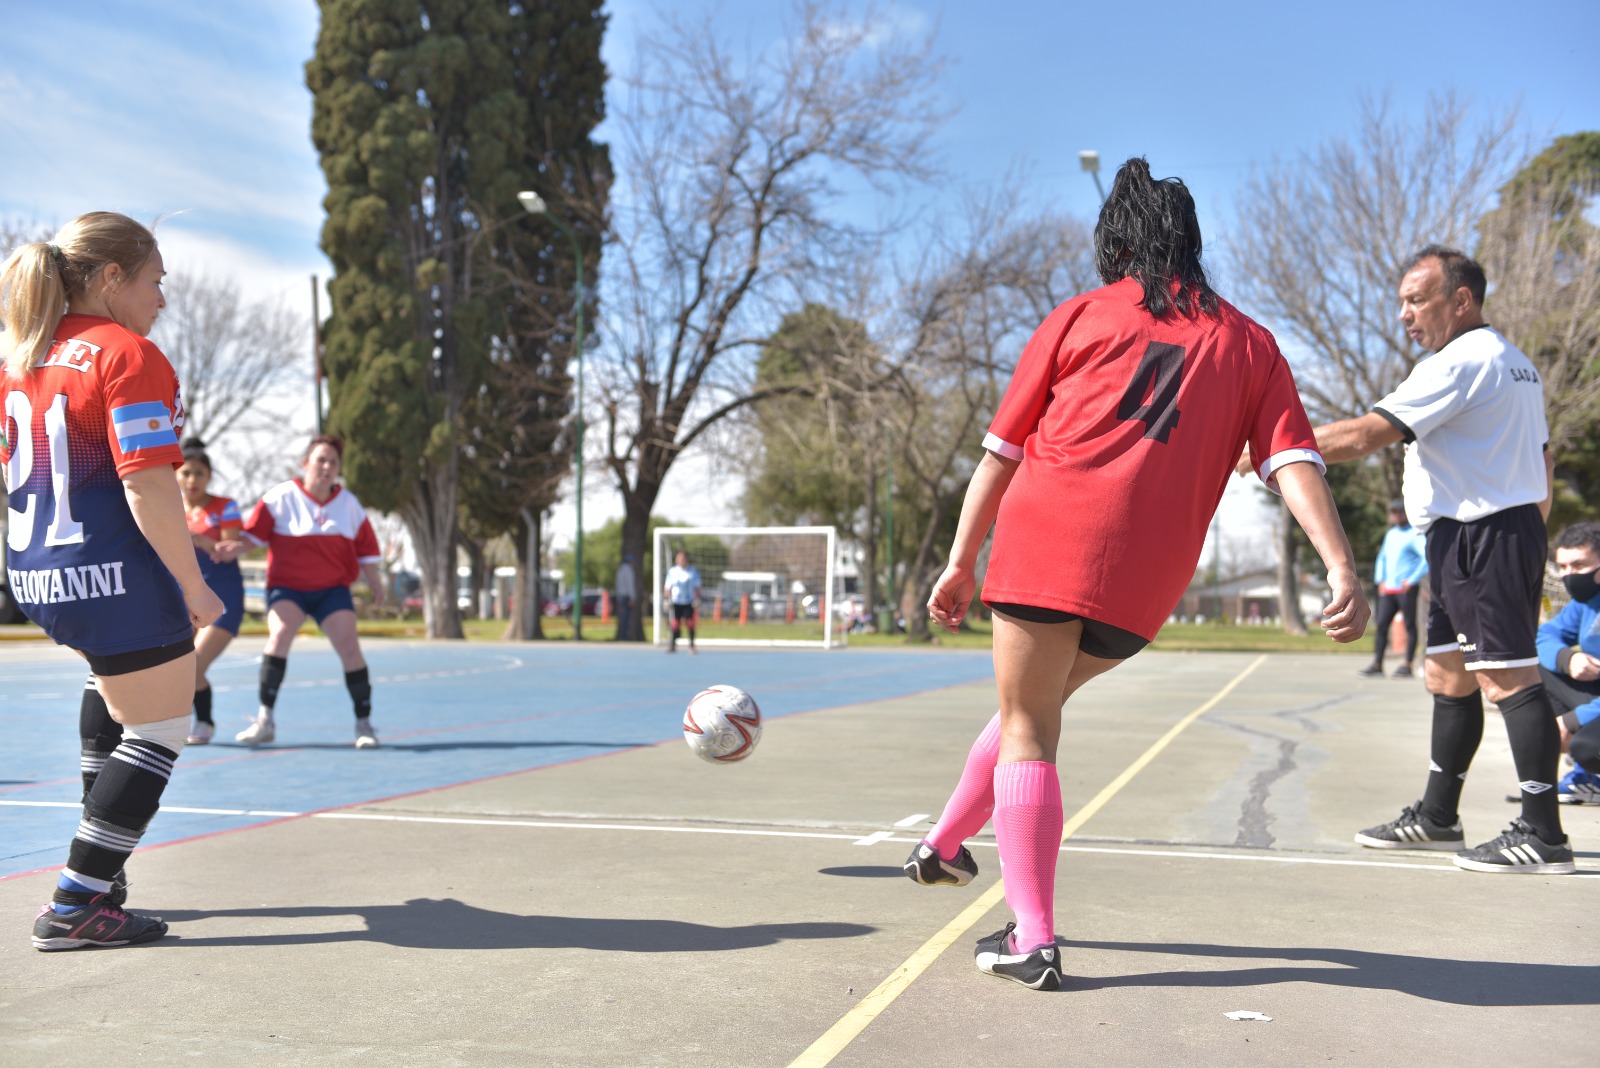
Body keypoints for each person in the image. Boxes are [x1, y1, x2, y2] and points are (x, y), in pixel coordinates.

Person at [915, 159, 1368, 991]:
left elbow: (1001, 453)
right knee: (1034, 711)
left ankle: (1035, 940)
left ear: (1116, 240)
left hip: (1047, 542)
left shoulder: (1081, 314)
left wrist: (956, 559)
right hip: (1147, 578)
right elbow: (1293, 461)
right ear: (1192, 243)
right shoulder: (1251, 342)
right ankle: (943, 847)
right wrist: (1342, 565)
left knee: (1028, 727)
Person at [1267, 245, 1572, 874]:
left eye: (1417, 299)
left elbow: (1365, 434)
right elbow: (1542, 460)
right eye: (1402, 300)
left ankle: (1544, 835)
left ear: (1461, 300)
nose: (1405, 314)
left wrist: (1268, 450)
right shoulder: (1512, 362)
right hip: (1471, 535)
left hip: (1484, 533)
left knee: (1507, 678)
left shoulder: (1462, 360)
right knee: (1447, 675)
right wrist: (1525, 529)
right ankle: (1439, 818)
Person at [2, 212, 224, 950]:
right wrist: (195, 588)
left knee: (112, 685)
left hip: (38, 571)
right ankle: (78, 897)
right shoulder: (127, 354)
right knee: (160, 724)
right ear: (110, 278)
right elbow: (148, 487)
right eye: (155, 281)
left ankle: (108, 874)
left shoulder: (20, 356)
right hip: (110, 570)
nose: (162, 298)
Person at [234, 434, 386, 748]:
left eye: (333, 462)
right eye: (321, 460)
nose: (327, 467)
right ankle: (265, 720)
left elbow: (368, 554)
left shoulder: (349, 505)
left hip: (331, 591)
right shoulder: (280, 497)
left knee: (350, 647)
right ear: (305, 463)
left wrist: (377, 587)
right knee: (279, 636)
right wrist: (228, 549)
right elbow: (252, 538)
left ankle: (364, 724)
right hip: (288, 588)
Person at [176, 437, 247, 743]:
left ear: (209, 476)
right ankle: (189, 723)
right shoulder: (168, 508)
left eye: (199, 474)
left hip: (222, 598)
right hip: (183, 599)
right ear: (176, 474)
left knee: (194, 664)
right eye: (186, 473)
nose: (192, 480)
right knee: (178, 668)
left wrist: (206, 543)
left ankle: (203, 723)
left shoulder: (224, 507)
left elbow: (230, 549)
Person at [1536, 521, 1600, 803]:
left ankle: (1584, 760)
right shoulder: (1587, 601)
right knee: (1533, 670)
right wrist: (1567, 659)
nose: (1568, 575)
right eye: (1563, 567)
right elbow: (1545, 634)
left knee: (1588, 748)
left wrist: (1572, 721)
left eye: (1579, 565)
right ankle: (1587, 780)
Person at [1360, 499, 1428, 678]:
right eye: (1393, 512)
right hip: (1388, 590)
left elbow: (1427, 558)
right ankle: (1377, 664)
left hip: (1405, 590)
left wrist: (1412, 580)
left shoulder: (1415, 534)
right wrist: (1379, 579)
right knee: (1381, 625)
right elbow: (1382, 557)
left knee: (1409, 626)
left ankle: (1407, 664)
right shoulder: (1391, 534)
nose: (1397, 515)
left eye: (1400, 511)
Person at [662, 549, 701, 654]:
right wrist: (666, 599)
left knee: (690, 623)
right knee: (675, 624)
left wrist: (697, 598)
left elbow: (697, 587)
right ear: (676, 559)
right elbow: (667, 587)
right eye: (680, 558)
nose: (682, 560)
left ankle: (691, 646)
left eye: (684, 558)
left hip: (689, 601)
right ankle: (672, 645)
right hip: (676, 602)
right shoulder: (672, 572)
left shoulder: (693, 571)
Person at [614, 553, 638, 642]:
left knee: (623, 617)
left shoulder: (620, 570)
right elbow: (630, 585)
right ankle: (624, 636)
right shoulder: (628, 571)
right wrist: (633, 597)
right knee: (626, 617)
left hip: (620, 595)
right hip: (626, 596)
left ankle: (622, 635)